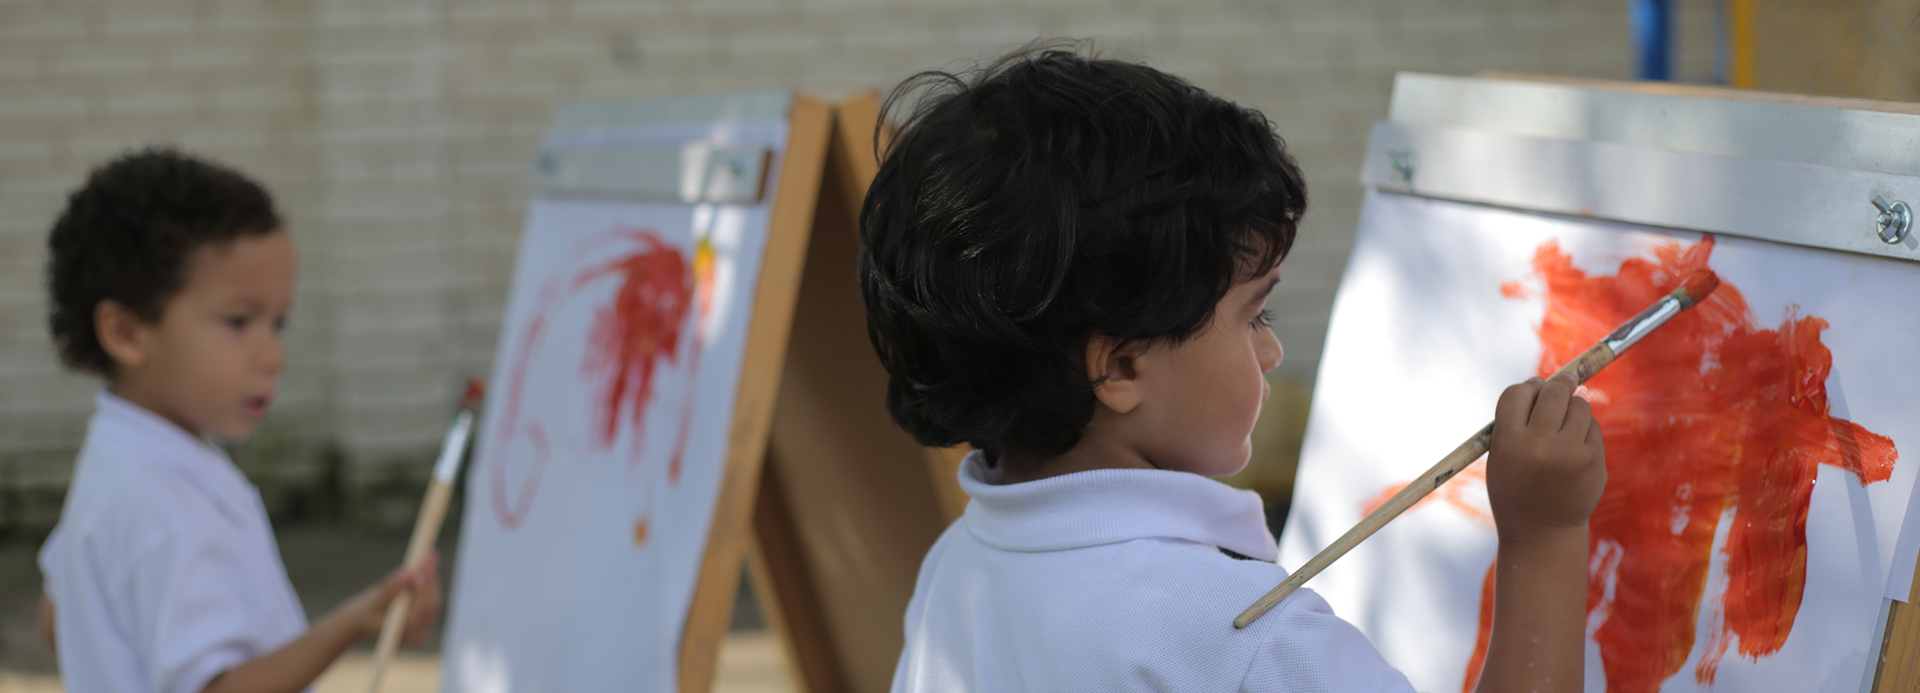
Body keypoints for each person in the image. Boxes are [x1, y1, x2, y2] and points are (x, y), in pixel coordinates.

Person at [859, 44, 1606, 692]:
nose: (1272, 351)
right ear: (1120, 367)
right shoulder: (1241, 637)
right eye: (1254, 315)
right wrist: (1543, 537)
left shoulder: (955, 566)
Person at [37, 149, 441, 693]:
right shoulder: (164, 511)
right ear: (126, 333)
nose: (273, 357)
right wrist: (353, 623)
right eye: (237, 321)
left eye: (278, 324)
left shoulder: (117, 463)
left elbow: (57, 617)